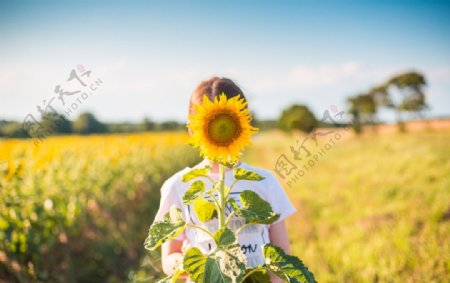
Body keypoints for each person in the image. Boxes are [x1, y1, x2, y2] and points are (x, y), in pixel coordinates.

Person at [153, 77, 297, 282]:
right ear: (192, 128)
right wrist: (198, 265)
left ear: (244, 122)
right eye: (210, 124)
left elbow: (281, 258)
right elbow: (169, 258)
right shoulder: (179, 185)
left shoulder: (265, 182)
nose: (220, 130)